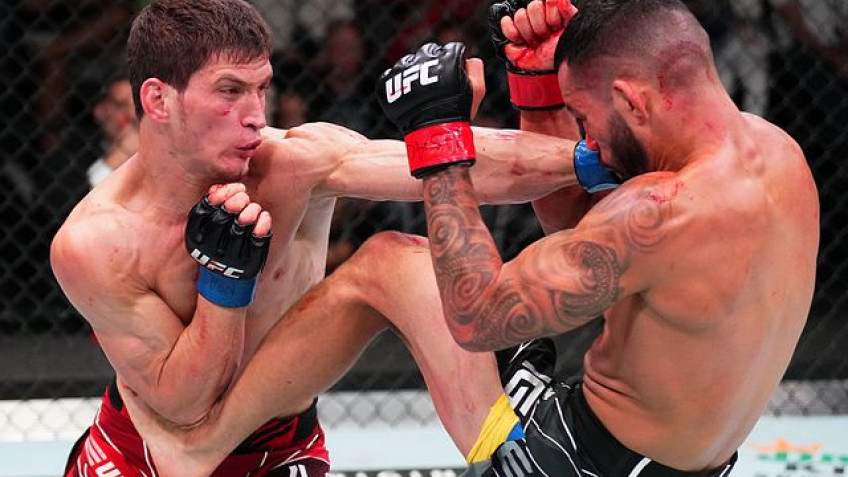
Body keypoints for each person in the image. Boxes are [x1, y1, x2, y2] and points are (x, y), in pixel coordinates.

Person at [126, 0, 818, 476]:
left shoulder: (661, 211)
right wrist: (538, 88)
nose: (590, 146)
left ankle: (198, 451)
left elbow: (476, 316)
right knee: (419, 271)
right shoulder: (776, 155)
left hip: (570, 464)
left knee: (386, 264)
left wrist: (440, 144)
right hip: (679, 458)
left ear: (633, 100)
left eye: (584, 118)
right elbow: (582, 232)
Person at [49, 0, 581, 476]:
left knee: (397, 260)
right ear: (158, 100)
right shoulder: (97, 242)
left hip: (279, 446)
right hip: (147, 456)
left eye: (262, 88)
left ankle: (509, 457)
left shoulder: (293, 162)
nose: (256, 116)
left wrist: (598, 157)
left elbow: (463, 168)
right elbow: (184, 404)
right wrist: (224, 287)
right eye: (230, 91)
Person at [87, 76, 138, 188]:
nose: (133, 115)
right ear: (101, 111)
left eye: (138, 106)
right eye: (121, 105)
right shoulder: (78, 154)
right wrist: (121, 154)